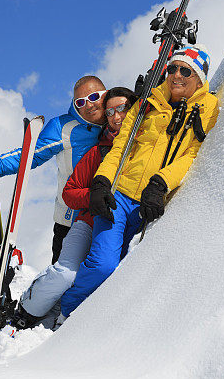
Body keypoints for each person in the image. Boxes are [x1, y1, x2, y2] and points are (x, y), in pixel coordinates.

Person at [59, 45, 219, 319]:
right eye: (172, 68)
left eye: (185, 70)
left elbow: (192, 155)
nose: (176, 75)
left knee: (122, 272)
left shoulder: (208, 108)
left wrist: (160, 183)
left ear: (200, 77)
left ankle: (91, 322)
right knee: (103, 265)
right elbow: (120, 147)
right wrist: (101, 183)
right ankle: (68, 312)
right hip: (118, 196)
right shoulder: (147, 104)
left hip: (150, 204)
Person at [10, 87, 138, 329]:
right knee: (66, 273)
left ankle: (69, 320)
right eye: (110, 111)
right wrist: (93, 198)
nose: (116, 116)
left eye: (122, 109)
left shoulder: (147, 146)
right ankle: (26, 310)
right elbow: (70, 192)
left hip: (123, 224)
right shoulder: (97, 152)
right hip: (88, 223)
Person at [0, 75, 107, 263]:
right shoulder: (63, 127)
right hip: (70, 221)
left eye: (93, 97)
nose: (89, 105)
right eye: (80, 102)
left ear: (105, 95)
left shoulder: (119, 117)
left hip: (108, 214)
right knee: (64, 281)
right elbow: (30, 155)